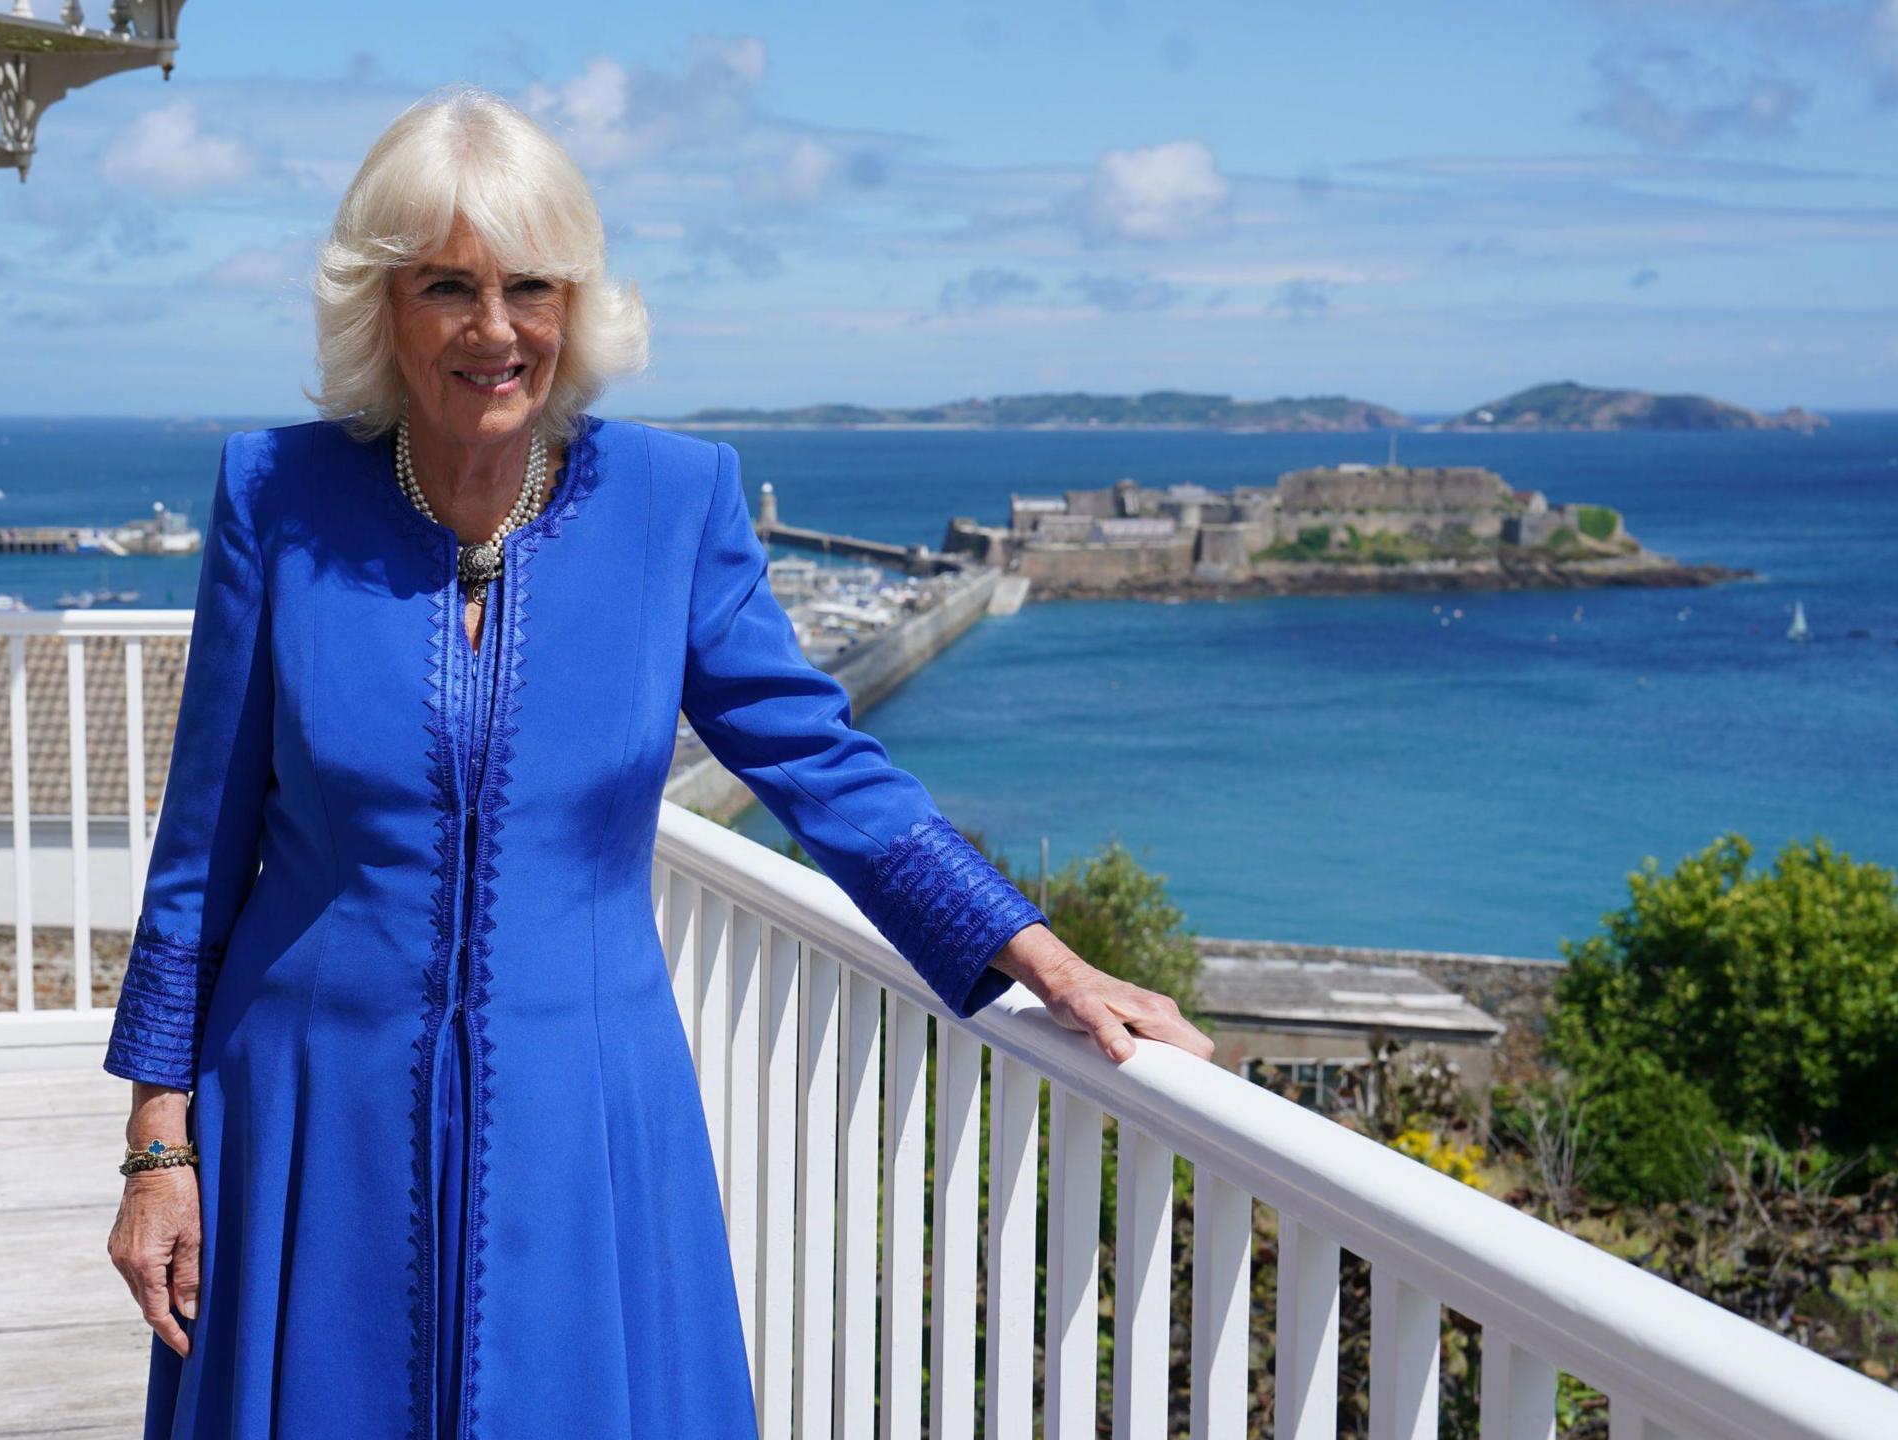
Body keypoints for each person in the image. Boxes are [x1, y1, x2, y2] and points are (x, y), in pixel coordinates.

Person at [102, 83, 1212, 1440]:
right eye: (450, 285)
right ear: (382, 307)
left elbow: (818, 762)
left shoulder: (673, 503)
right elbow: (200, 850)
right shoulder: (274, 496)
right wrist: (160, 1149)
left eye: (532, 286)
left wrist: (1034, 952)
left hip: (583, 1122)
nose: (496, 330)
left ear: (577, 305)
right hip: (304, 1114)